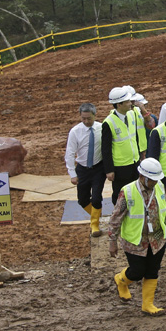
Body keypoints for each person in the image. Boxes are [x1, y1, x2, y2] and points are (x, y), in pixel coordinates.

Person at [108, 158, 166, 315]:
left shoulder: (160, 187)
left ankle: (148, 305)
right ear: (142, 176)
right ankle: (121, 280)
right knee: (137, 271)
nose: (154, 183)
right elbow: (115, 218)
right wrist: (112, 241)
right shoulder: (127, 191)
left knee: (152, 270)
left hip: (157, 239)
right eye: (151, 180)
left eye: (156, 179)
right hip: (135, 241)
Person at [64, 102, 105, 237]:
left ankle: (95, 224)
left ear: (95, 115)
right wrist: (72, 174)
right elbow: (70, 153)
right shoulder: (75, 131)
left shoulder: (102, 128)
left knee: (97, 198)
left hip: (99, 168)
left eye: (89, 118)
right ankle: (97, 214)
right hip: (82, 168)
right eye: (83, 118)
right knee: (82, 200)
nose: (86, 121)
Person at [102, 86, 142, 205]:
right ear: (119, 104)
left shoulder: (131, 115)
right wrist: (109, 170)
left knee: (135, 192)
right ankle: (118, 218)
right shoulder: (108, 123)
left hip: (134, 163)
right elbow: (106, 148)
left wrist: (139, 155)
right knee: (120, 195)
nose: (130, 103)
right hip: (120, 167)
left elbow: (135, 137)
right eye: (127, 101)